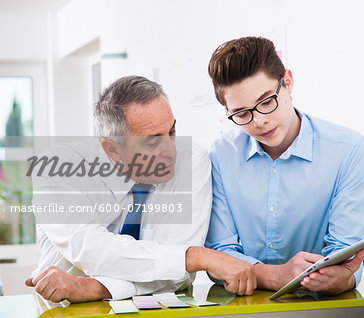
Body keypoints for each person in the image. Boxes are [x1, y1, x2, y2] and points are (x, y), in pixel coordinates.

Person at [25, 76, 257, 303]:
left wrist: (94, 288)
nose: (172, 151)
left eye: (172, 132)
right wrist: (196, 256)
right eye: (153, 141)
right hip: (65, 308)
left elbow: (176, 275)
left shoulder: (192, 159)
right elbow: (94, 250)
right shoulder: (55, 169)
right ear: (113, 150)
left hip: (160, 307)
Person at [205, 37, 364, 295]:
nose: (259, 121)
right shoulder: (218, 156)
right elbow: (219, 255)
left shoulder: (348, 150)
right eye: (241, 114)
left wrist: (341, 278)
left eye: (266, 102)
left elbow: (345, 253)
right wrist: (274, 276)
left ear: (288, 82)